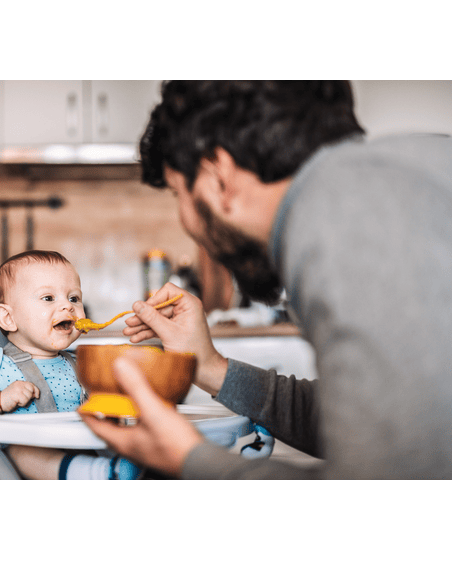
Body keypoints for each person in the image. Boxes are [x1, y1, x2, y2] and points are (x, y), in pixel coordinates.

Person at [81, 80, 452, 480]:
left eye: (176, 193)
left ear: (218, 175)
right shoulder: (404, 172)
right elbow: (379, 422)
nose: (185, 222)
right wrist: (208, 367)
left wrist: (190, 458)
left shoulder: (339, 218)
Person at [0, 250, 140, 480]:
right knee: (19, 450)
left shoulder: (80, 364)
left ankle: (112, 471)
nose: (68, 307)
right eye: (48, 298)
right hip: (31, 462)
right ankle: (94, 473)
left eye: (74, 298)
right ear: (8, 318)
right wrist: (0, 399)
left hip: (85, 448)